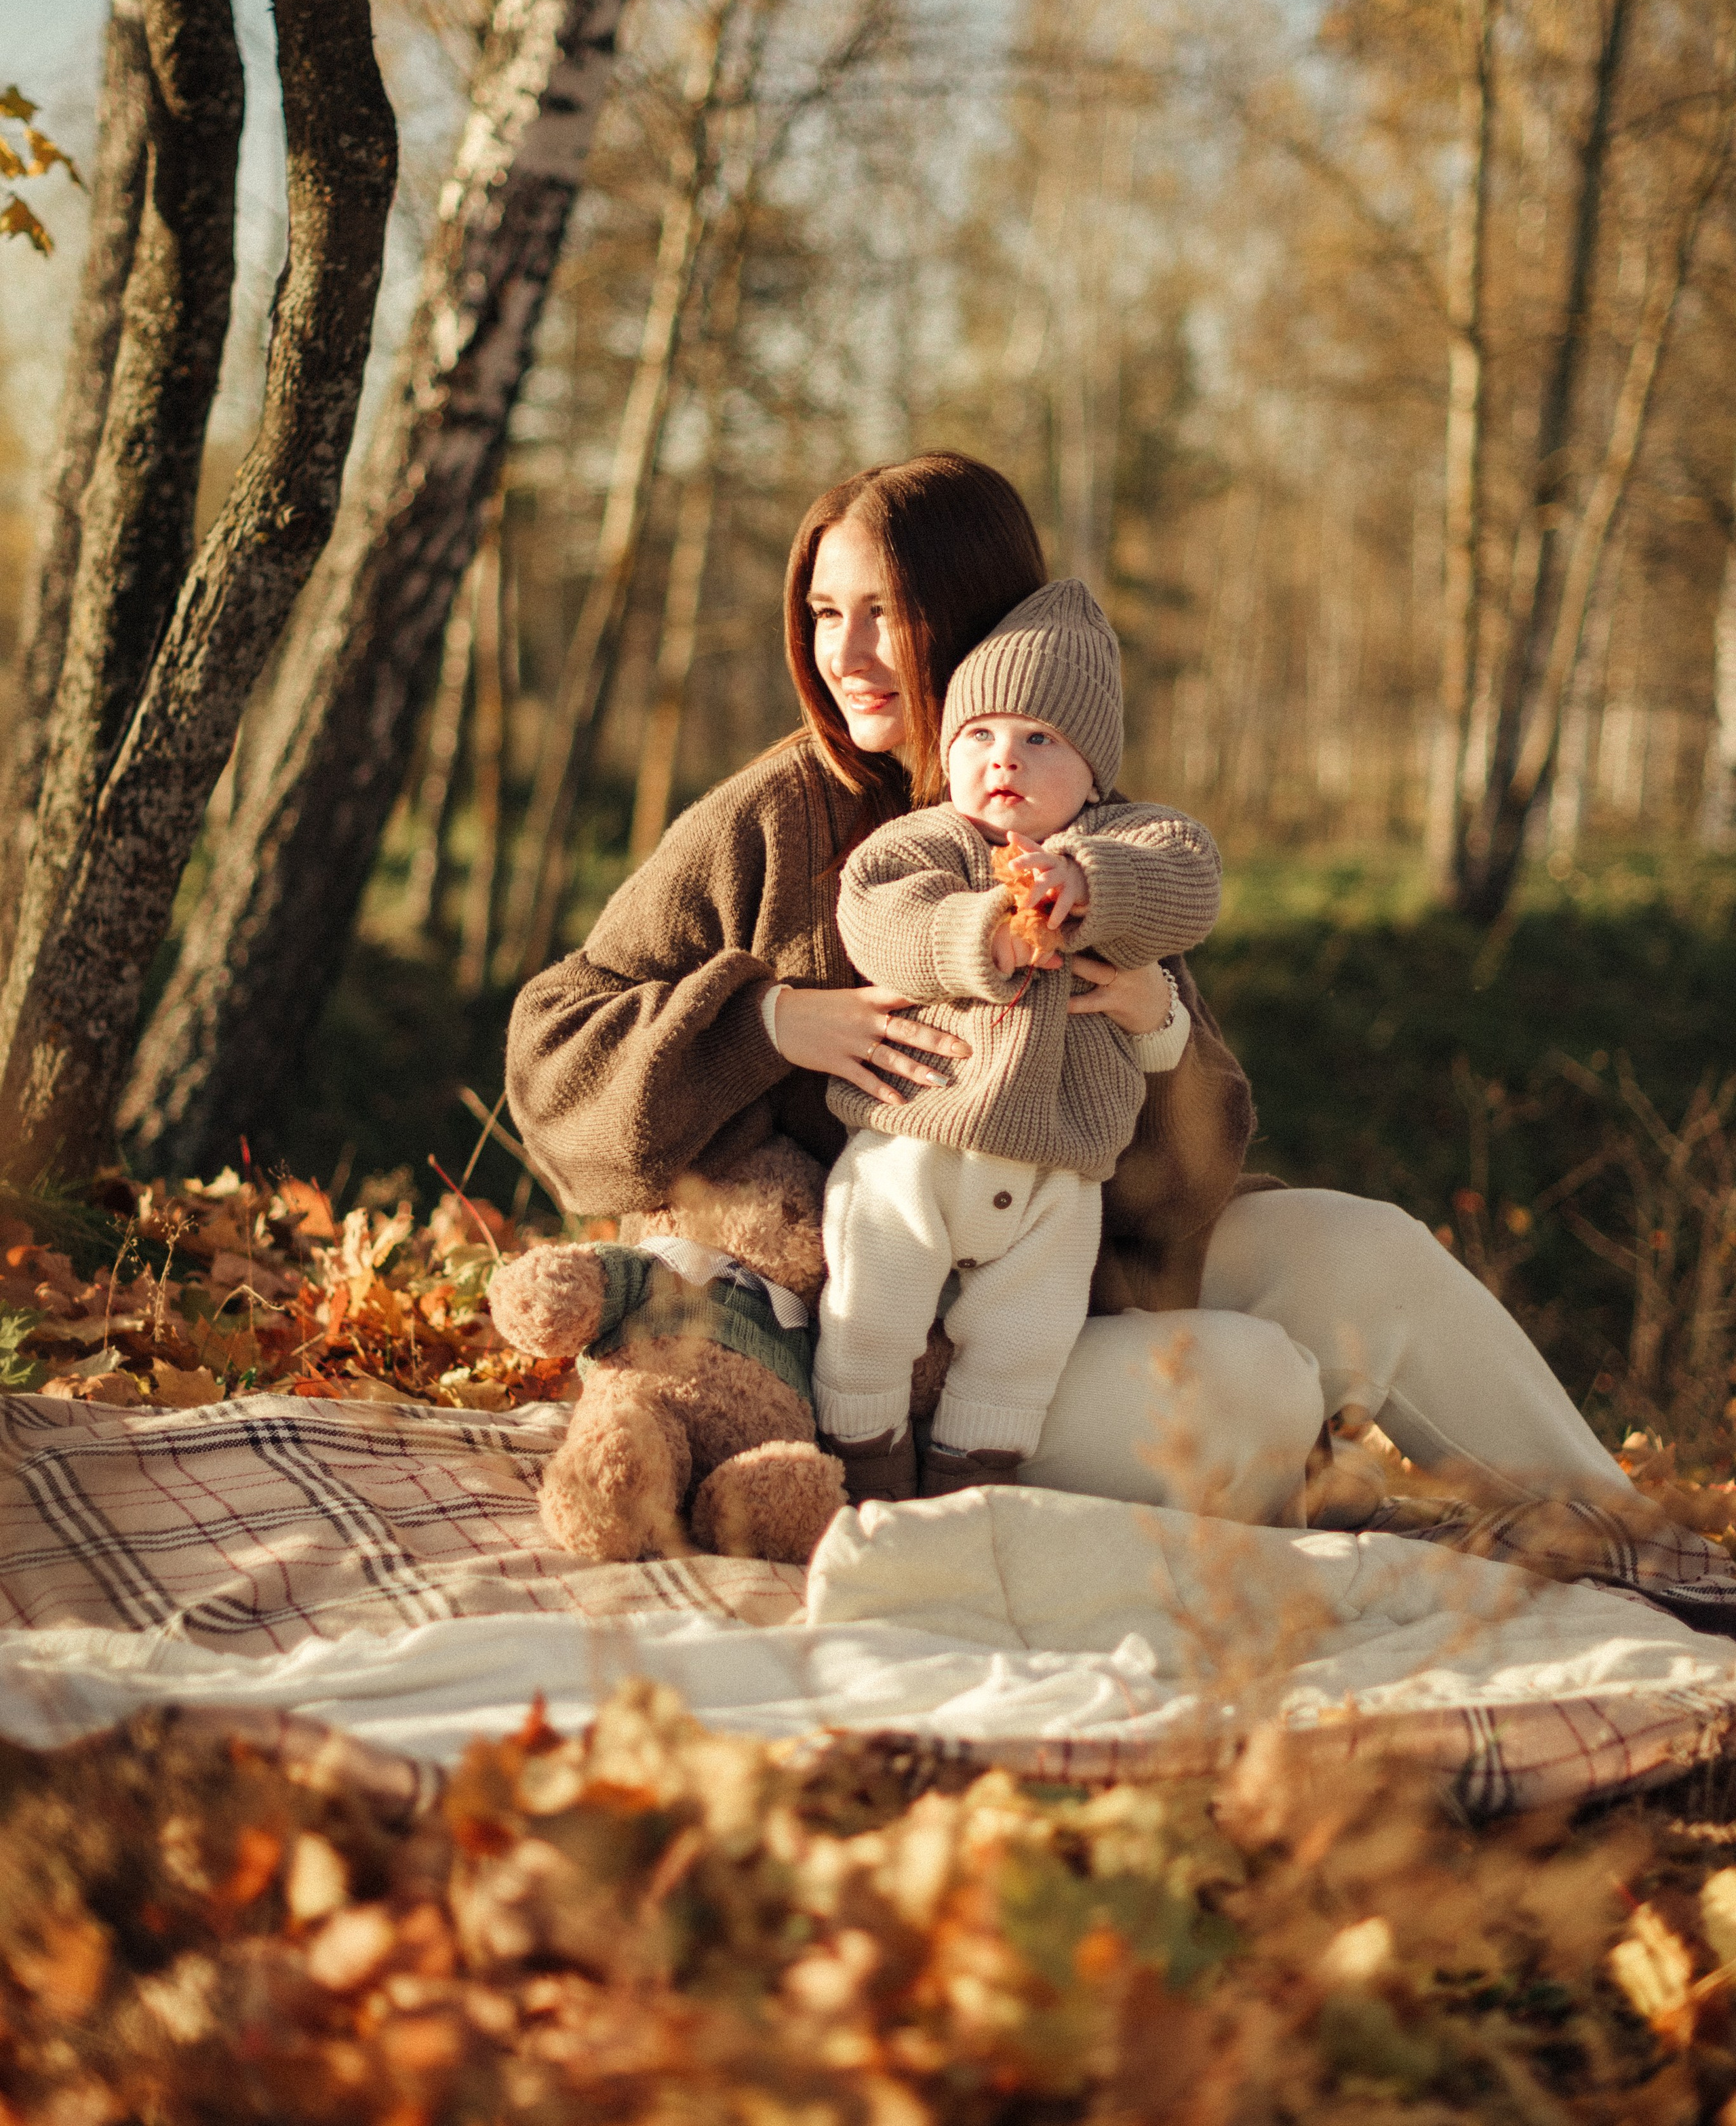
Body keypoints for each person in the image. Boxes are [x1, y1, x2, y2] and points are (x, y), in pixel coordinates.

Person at [508, 452, 1638, 1526]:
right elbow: (552, 1055)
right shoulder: (765, 819)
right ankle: (995, 1495)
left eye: (881, 613)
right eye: (822, 612)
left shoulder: (1083, 833)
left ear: (982, 622)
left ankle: (1639, 1544)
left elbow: (1196, 1173)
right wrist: (768, 1024)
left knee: (1376, 1252)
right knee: (1251, 1392)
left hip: (1066, 1273)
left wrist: (1157, 1028)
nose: (844, 653)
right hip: (872, 1359)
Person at [816, 576, 1223, 1503]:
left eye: (1041, 739)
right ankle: (861, 1461)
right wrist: (982, 933)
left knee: (1026, 1339)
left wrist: (1082, 884)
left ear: (1093, 773)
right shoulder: (925, 844)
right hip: (916, 1146)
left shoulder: (1120, 838)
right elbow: (873, 919)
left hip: (1058, 1173)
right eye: (980, 736)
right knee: (868, 1311)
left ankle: (975, 1481)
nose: (1007, 759)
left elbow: (1190, 880)